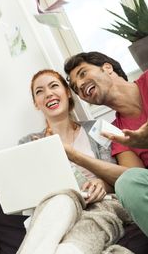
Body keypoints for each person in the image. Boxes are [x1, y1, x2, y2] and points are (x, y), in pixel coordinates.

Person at [18, 68, 140, 254]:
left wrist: (102, 183)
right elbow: (33, 192)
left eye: (54, 86)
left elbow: (122, 176)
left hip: (101, 204)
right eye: (39, 91)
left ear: (67, 92)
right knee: (56, 211)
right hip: (62, 208)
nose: (48, 94)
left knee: (90, 218)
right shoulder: (29, 143)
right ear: (36, 104)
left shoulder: (97, 129)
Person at [63, 51, 148, 237]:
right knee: (127, 183)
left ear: (107, 68)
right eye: (76, 88)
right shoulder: (115, 133)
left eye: (83, 73)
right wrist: (75, 156)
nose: (80, 86)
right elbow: (133, 177)